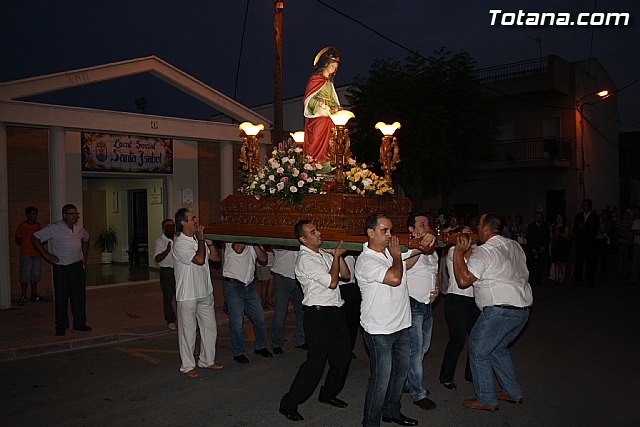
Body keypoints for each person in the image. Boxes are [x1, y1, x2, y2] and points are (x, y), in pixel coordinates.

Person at [356, 213, 435, 427]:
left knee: (400, 375)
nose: (390, 235)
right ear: (371, 233)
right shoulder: (366, 260)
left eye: (391, 230)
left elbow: (421, 248)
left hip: (402, 325)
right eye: (384, 230)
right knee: (381, 380)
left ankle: (391, 411)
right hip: (379, 329)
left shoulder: (389, 253)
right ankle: (370, 422)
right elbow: (395, 278)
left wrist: (427, 239)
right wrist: (397, 255)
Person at [452, 212, 533, 411]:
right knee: (497, 349)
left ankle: (486, 399)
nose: (477, 229)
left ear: (486, 228)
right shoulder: (515, 245)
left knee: (478, 351)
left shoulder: (484, 251)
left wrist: (457, 253)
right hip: (522, 310)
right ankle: (512, 392)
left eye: (479, 225)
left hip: (500, 310)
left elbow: (463, 281)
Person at [279, 221, 352, 422]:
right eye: (313, 232)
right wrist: (336, 255)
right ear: (303, 239)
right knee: (315, 364)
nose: (319, 233)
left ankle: (328, 394)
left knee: (343, 358)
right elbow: (332, 282)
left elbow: (346, 275)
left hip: (336, 312)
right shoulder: (305, 259)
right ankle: (289, 403)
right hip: (318, 315)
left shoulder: (323, 253)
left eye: (317, 229)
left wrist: (336, 255)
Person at [172, 208, 223, 378]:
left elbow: (215, 259)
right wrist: (201, 241)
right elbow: (199, 260)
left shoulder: (197, 241)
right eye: (192, 218)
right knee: (188, 332)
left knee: (210, 328)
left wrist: (209, 243)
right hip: (187, 294)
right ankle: (187, 366)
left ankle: (207, 360)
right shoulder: (179, 243)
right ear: (183, 223)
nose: (196, 221)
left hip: (205, 291)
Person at [31, 204, 91, 336]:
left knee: (79, 297)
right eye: (72, 214)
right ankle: (61, 325)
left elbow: (86, 237)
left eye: (76, 213)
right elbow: (35, 237)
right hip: (62, 268)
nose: (75, 216)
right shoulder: (54, 228)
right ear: (64, 215)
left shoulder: (79, 228)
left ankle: (79, 323)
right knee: (62, 297)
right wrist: (46, 255)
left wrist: (85, 254)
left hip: (77, 267)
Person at [402, 212, 439, 411]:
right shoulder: (407, 247)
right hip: (412, 304)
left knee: (423, 348)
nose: (427, 226)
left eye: (428, 223)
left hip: (427, 305)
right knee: (415, 351)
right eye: (422, 224)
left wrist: (438, 287)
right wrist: (419, 246)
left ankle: (408, 383)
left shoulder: (432, 249)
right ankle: (418, 393)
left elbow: (434, 271)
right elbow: (404, 268)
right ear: (412, 229)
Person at [438, 226, 480, 390]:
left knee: (476, 339)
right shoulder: (454, 251)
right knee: (457, 339)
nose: (467, 236)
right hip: (457, 299)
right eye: (464, 233)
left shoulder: (478, 252)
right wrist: (473, 247)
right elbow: (466, 262)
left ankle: (471, 373)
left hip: (475, 299)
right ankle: (446, 376)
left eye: (470, 233)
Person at [222, 241, 273, 363]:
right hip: (233, 284)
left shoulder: (252, 242)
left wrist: (255, 243)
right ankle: (238, 352)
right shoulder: (233, 238)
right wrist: (248, 237)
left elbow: (263, 259)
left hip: (249, 285)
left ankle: (260, 346)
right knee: (237, 322)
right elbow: (238, 249)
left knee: (259, 317)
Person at [303, 48, 341, 163]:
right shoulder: (315, 79)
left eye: (336, 68)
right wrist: (319, 104)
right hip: (318, 115)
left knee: (331, 141)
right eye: (333, 66)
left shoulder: (330, 83)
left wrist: (336, 108)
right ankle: (314, 162)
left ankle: (327, 162)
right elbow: (308, 98)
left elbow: (333, 99)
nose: (334, 69)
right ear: (326, 64)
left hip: (329, 117)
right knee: (316, 139)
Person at [271, 247, 306, 354]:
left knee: (302, 311)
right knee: (280, 313)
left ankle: (300, 339)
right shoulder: (283, 232)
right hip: (282, 276)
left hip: (299, 277)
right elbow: (279, 247)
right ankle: (277, 343)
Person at [15, 206, 46, 305]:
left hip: (36, 253)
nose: (35, 216)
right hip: (26, 253)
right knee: (25, 274)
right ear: (27, 214)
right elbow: (18, 239)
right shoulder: (22, 226)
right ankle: (23, 295)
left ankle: (34, 294)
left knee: (35, 274)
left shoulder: (38, 225)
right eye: (33, 214)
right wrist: (26, 245)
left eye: (36, 214)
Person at [153, 219, 177, 330]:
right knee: (168, 297)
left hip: (179, 270)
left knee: (181, 296)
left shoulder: (178, 238)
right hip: (167, 271)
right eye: (168, 226)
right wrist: (167, 251)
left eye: (172, 226)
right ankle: (170, 320)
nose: (171, 228)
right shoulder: (160, 241)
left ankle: (183, 319)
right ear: (164, 228)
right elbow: (157, 259)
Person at [573, 199, 600, 287]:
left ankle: (590, 281)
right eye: (583, 206)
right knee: (579, 262)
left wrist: (586, 228)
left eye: (586, 206)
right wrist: (578, 228)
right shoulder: (578, 216)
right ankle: (578, 280)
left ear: (590, 207)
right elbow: (574, 229)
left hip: (590, 243)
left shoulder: (595, 217)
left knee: (590, 263)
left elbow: (596, 230)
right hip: (580, 242)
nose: (585, 207)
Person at [339, 253, 361, 358]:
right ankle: (339, 349)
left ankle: (348, 348)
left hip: (351, 285)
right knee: (339, 322)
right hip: (336, 287)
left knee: (353, 321)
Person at [526, 211, 550, 286]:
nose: (538, 218)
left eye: (540, 217)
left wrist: (543, 247)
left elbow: (547, 238)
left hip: (541, 248)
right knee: (531, 266)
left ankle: (539, 281)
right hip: (532, 248)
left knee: (540, 265)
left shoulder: (545, 226)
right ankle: (531, 281)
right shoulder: (531, 226)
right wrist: (532, 248)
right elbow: (529, 238)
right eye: (537, 217)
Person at [549, 214, 571, 285]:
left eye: (560, 218)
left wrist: (560, 234)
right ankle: (556, 278)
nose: (558, 219)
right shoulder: (553, 226)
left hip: (563, 246)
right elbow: (551, 236)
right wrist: (555, 235)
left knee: (563, 262)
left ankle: (562, 278)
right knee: (556, 262)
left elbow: (568, 237)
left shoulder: (565, 227)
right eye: (557, 218)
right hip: (556, 245)